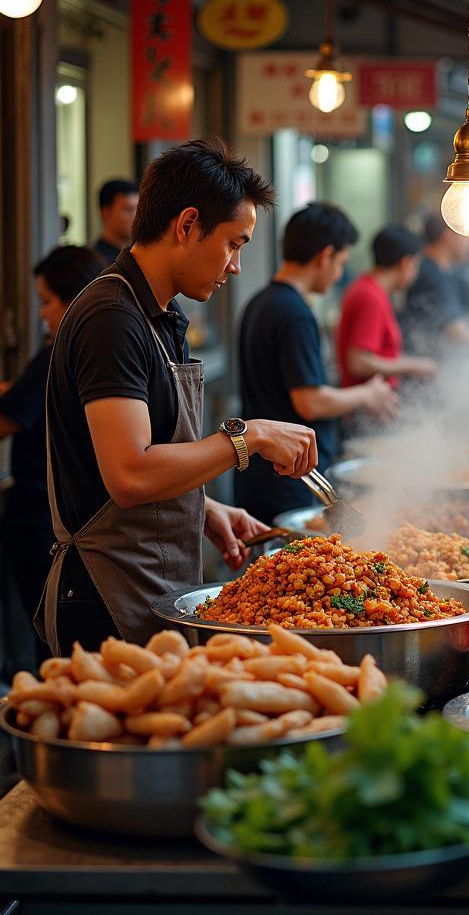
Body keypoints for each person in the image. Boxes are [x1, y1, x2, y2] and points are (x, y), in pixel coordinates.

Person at [43, 137, 319, 654]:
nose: (235, 265)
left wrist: (203, 506)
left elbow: (148, 451)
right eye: (234, 243)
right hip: (105, 597)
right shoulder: (112, 318)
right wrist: (250, 436)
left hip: (154, 585)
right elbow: (129, 474)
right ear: (187, 224)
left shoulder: (160, 314)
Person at [236, 203, 398, 525]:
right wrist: (367, 395)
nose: (339, 273)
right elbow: (309, 401)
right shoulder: (294, 313)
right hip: (289, 480)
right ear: (325, 256)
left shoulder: (260, 301)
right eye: (341, 263)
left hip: (263, 475)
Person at [0, 247, 104, 671]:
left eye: (46, 301)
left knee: (50, 646)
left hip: (41, 519)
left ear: (73, 298)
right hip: (66, 517)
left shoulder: (55, 353)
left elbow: (7, 421)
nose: (42, 313)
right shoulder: (89, 351)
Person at [336, 224, 438, 390]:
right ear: (405, 263)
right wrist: (414, 366)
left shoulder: (368, 288)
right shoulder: (370, 297)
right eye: (416, 265)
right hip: (365, 408)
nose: (416, 273)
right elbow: (358, 362)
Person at [401, 214, 469, 359]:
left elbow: (468, 316)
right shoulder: (428, 271)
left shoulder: (450, 271)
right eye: (466, 237)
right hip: (425, 366)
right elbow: (455, 329)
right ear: (448, 235)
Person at [92, 178, 139, 266]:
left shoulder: (141, 256)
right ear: (106, 212)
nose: (135, 216)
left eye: (138, 209)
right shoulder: (95, 262)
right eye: (128, 209)